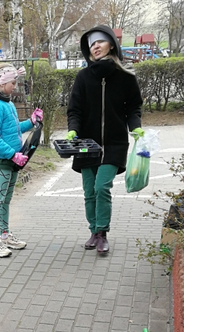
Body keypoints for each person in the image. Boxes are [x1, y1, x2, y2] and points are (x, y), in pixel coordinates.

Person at [66, 25, 145, 255]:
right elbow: (75, 110)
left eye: (100, 41)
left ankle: (102, 233)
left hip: (114, 143)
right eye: (92, 44)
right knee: (89, 191)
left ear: (111, 43)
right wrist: (73, 130)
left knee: (102, 187)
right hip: (86, 145)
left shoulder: (125, 76)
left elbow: (133, 107)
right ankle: (93, 230)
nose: (96, 46)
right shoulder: (83, 76)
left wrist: (136, 128)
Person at [0, 63, 43, 258]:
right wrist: (12, 154)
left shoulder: (7, 103)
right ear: (2, 83)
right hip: (4, 160)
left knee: (6, 199)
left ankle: (4, 235)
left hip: (14, 159)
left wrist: (31, 122)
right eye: (13, 82)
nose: (15, 86)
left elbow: (12, 129)